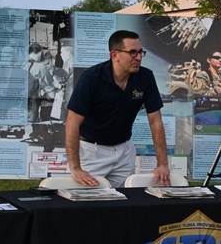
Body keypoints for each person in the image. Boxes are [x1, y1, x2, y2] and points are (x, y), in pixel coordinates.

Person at [65, 30, 171, 188]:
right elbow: (72, 124)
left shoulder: (146, 77)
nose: (139, 57)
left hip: (124, 150)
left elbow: (155, 121)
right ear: (114, 55)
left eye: (141, 52)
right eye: (133, 53)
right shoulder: (91, 78)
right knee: (89, 204)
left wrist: (162, 164)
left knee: (124, 203)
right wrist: (75, 168)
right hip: (92, 152)